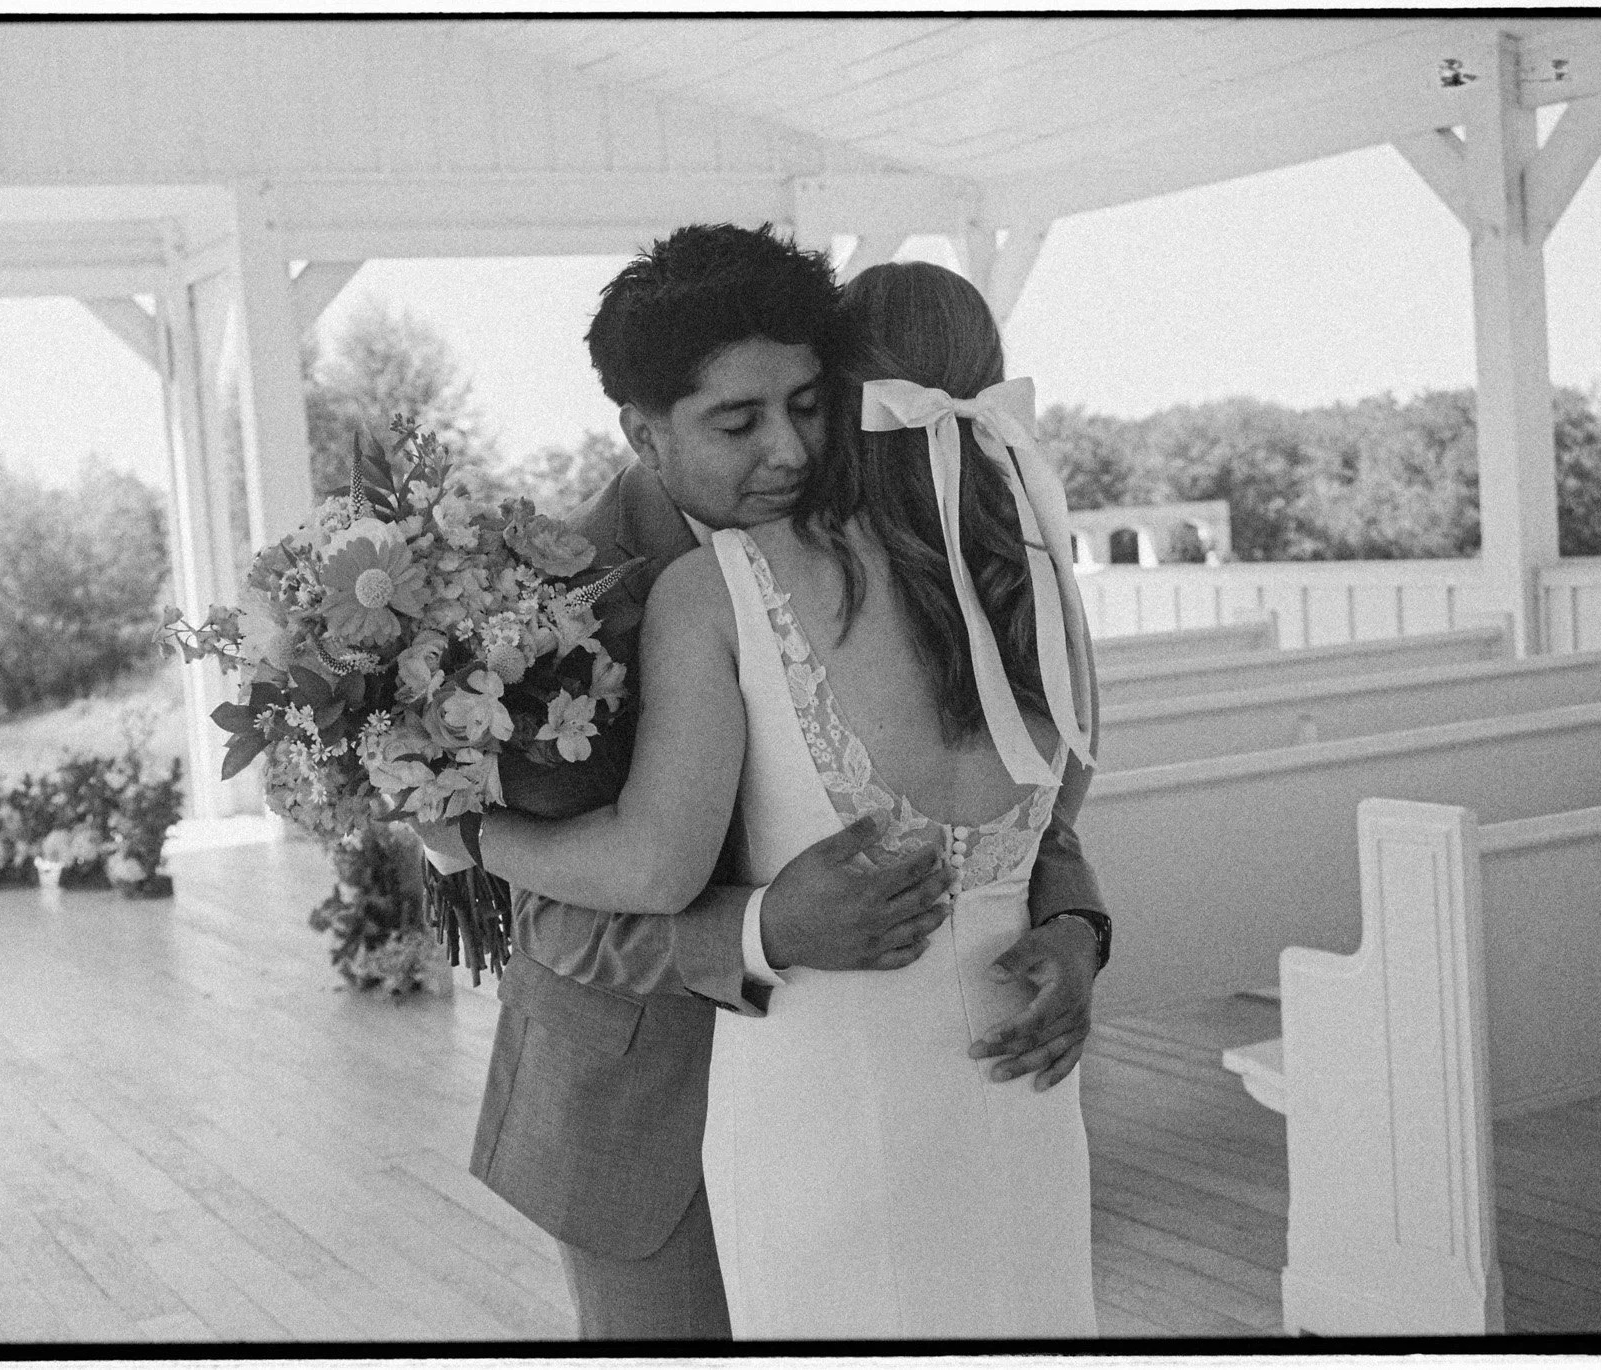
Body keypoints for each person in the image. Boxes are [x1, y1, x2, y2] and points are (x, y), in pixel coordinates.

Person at [428, 231, 1109, 1341]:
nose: (789, 448)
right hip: (641, 1110)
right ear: (642, 432)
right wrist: (761, 927)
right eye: (738, 423)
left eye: (809, 402)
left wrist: (1072, 923)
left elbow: (1016, 793)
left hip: (895, 1086)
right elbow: (556, 912)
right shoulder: (551, 608)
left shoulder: (943, 559)